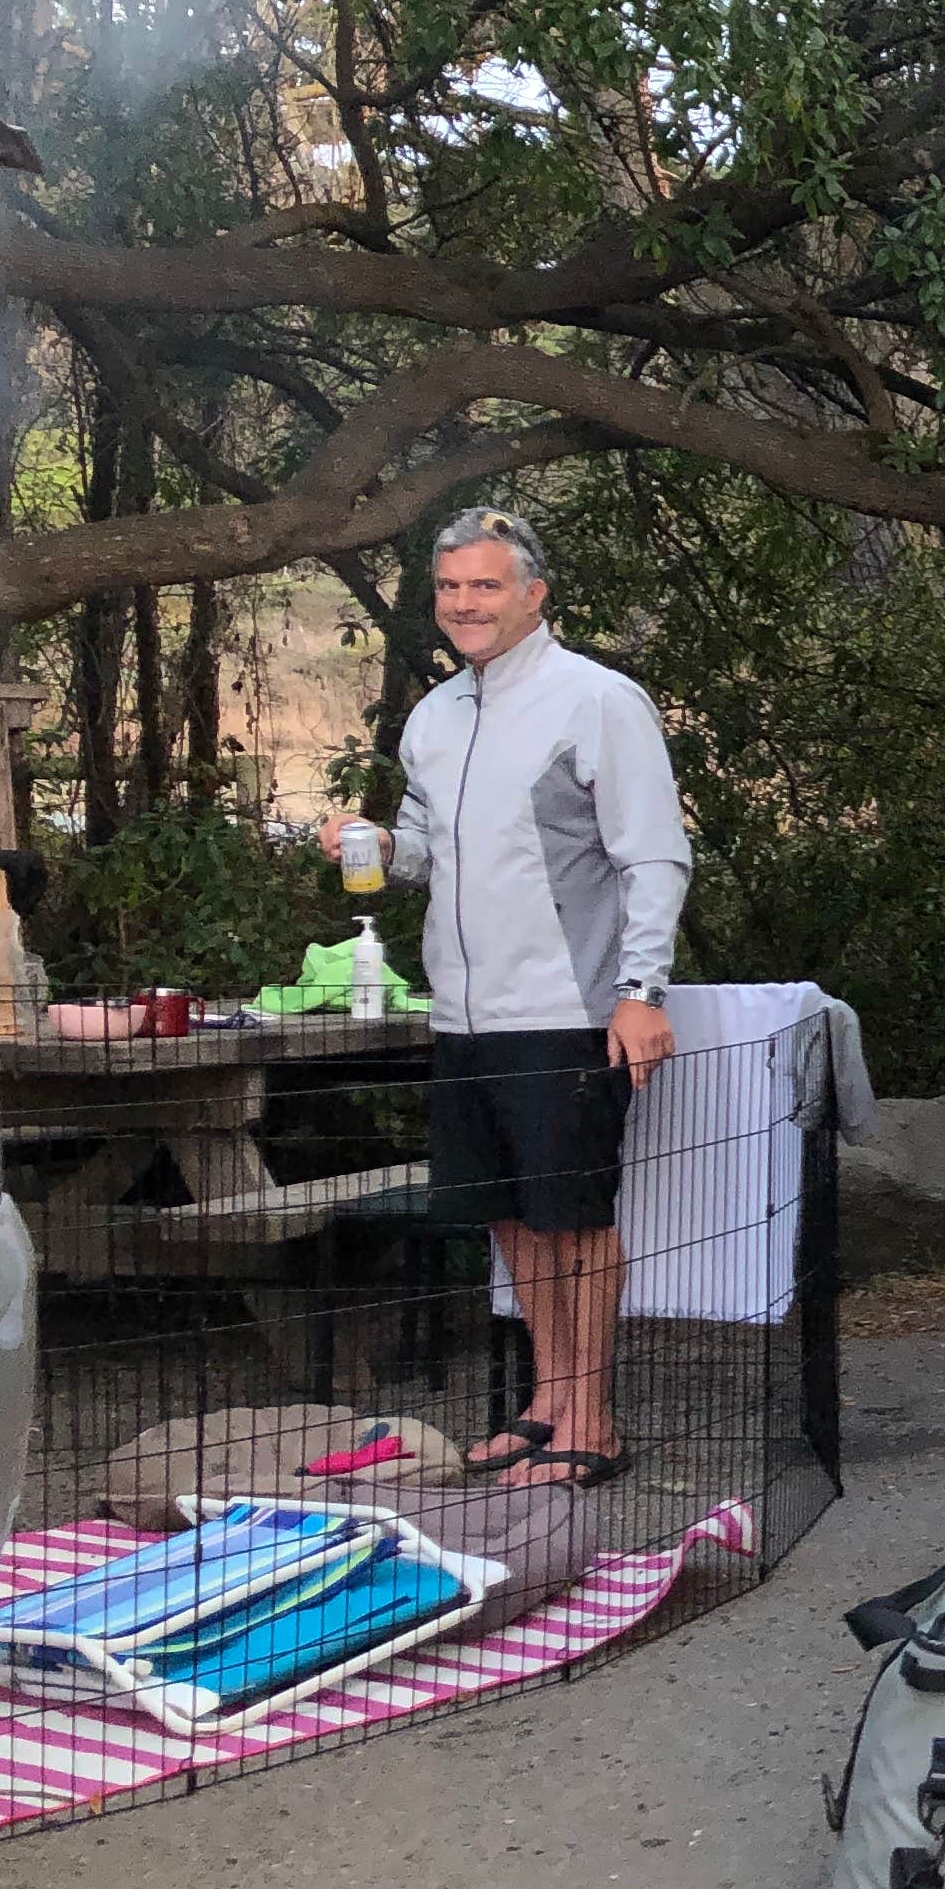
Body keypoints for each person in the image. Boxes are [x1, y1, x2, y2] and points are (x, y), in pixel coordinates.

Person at [327, 506, 688, 1486]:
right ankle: (548, 1403)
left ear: (534, 594)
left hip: (567, 1008)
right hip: (462, 1014)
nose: (464, 604)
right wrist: (376, 845)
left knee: (574, 1218)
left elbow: (654, 856)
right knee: (511, 1219)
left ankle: (594, 1423)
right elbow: (422, 851)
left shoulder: (597, 700)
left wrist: (640, 991)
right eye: (450, 587)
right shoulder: (436, 715)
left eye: (485, 585)